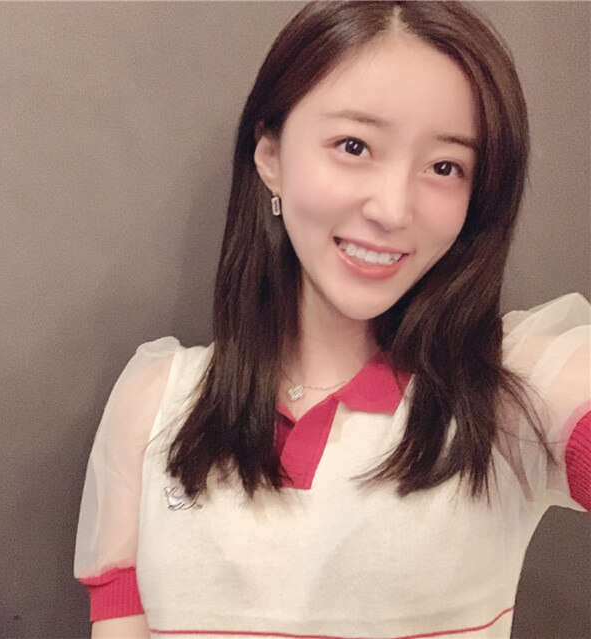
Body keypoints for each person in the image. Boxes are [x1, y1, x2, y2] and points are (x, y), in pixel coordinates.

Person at [74, 2, 590, 638]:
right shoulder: (156, 404)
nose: (393, 209)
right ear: (271, 156)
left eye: (444, 166)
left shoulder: (505, 390)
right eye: (354, 146)